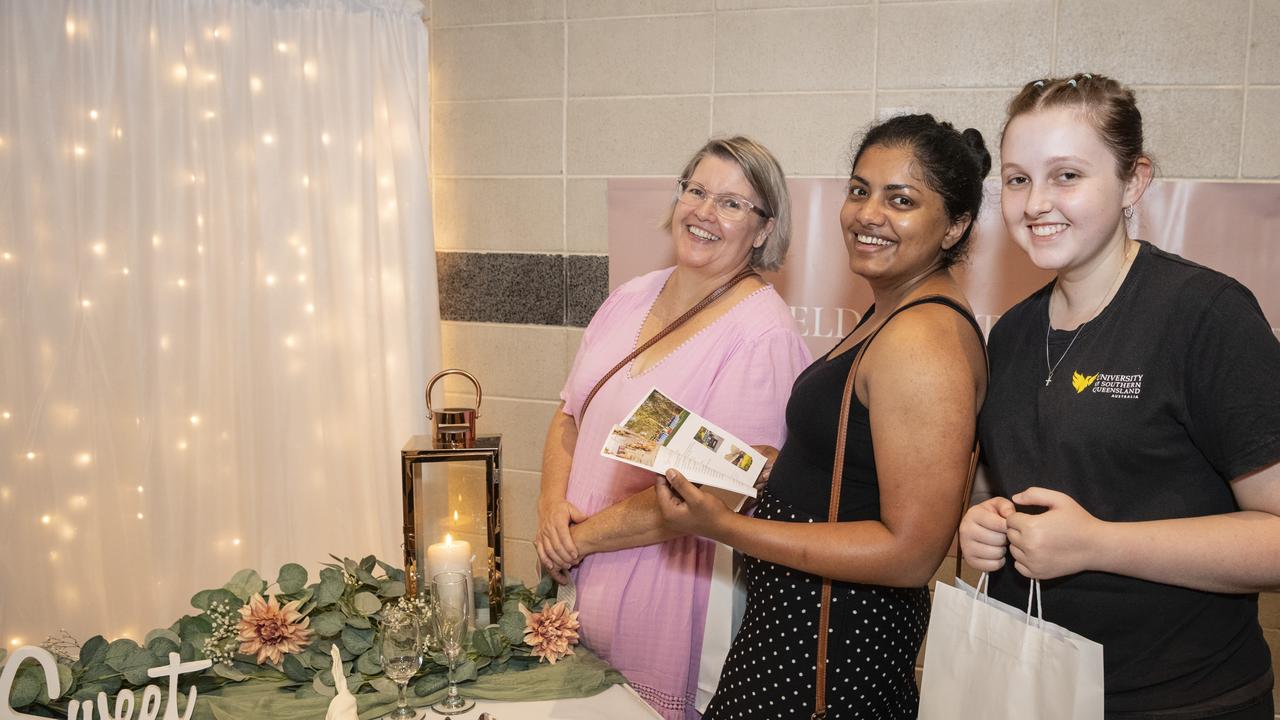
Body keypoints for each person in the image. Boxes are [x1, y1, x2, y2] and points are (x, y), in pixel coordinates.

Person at [958, 73, 1280, 719]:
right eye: (1019, 179)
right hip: (1036, 691)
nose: (1036, 202)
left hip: (1182, 699)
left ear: (1134, 181)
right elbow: (1016, 489)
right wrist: (982, 524)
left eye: (1067, 175)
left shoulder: (1205, 314)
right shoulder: (1015, 332)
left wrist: (1099, 543)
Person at [655, 114, 990, 718]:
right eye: (860, 190)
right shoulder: (893, 309)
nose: (868, 213)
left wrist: (723, 526)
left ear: (956, 225)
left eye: (902, 199)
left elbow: (911, 552)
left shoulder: (923, 340)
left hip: (825, 670)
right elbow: (857, 471)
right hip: (793, 643)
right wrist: (775, 475)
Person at [536, 136, 813, 719]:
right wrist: (548, 509)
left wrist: (577, 539)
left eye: (734, 203)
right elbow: (570, 414)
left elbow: (718, 491)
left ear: (764, 230)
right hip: (576, 572)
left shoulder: (762, 335)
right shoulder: (631, 295)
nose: (706, 212)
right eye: (697, 190)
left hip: (667, 588)